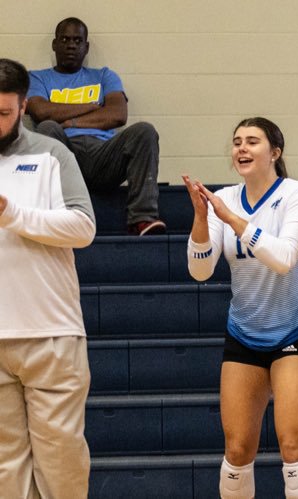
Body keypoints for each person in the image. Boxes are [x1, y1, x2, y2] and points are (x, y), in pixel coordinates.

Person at [184, 117, 298, 499]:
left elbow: (286, 259)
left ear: (275, 152)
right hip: (244, 331)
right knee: (237, 450)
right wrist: (202, 218)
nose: (241, 148)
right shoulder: (224, 198)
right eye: (236, 142)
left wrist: (233, 221)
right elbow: (200, 270)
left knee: (293, 448)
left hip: (294, 328)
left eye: (252, 141)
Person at [0, 57, 96, 499]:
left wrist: (13, 214)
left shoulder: (52, 154)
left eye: (2, 113)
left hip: (51, 334)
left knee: (61, 466)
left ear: (22, 108)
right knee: (6, 470)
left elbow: (83, 228)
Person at [25, 17, 162, 235]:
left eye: (78, 40)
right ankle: (55, 216)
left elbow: (118, 114)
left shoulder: (104, 75)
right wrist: (92, 106)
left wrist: (71, 121)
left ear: (86, 47)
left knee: (144, 131)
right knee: (48, 128)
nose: (71, 45)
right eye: (65, 39)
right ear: (55, 44)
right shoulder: (37, 78)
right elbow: (41, 112)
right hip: (66, 153)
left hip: (104, 155)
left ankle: (142, 219)